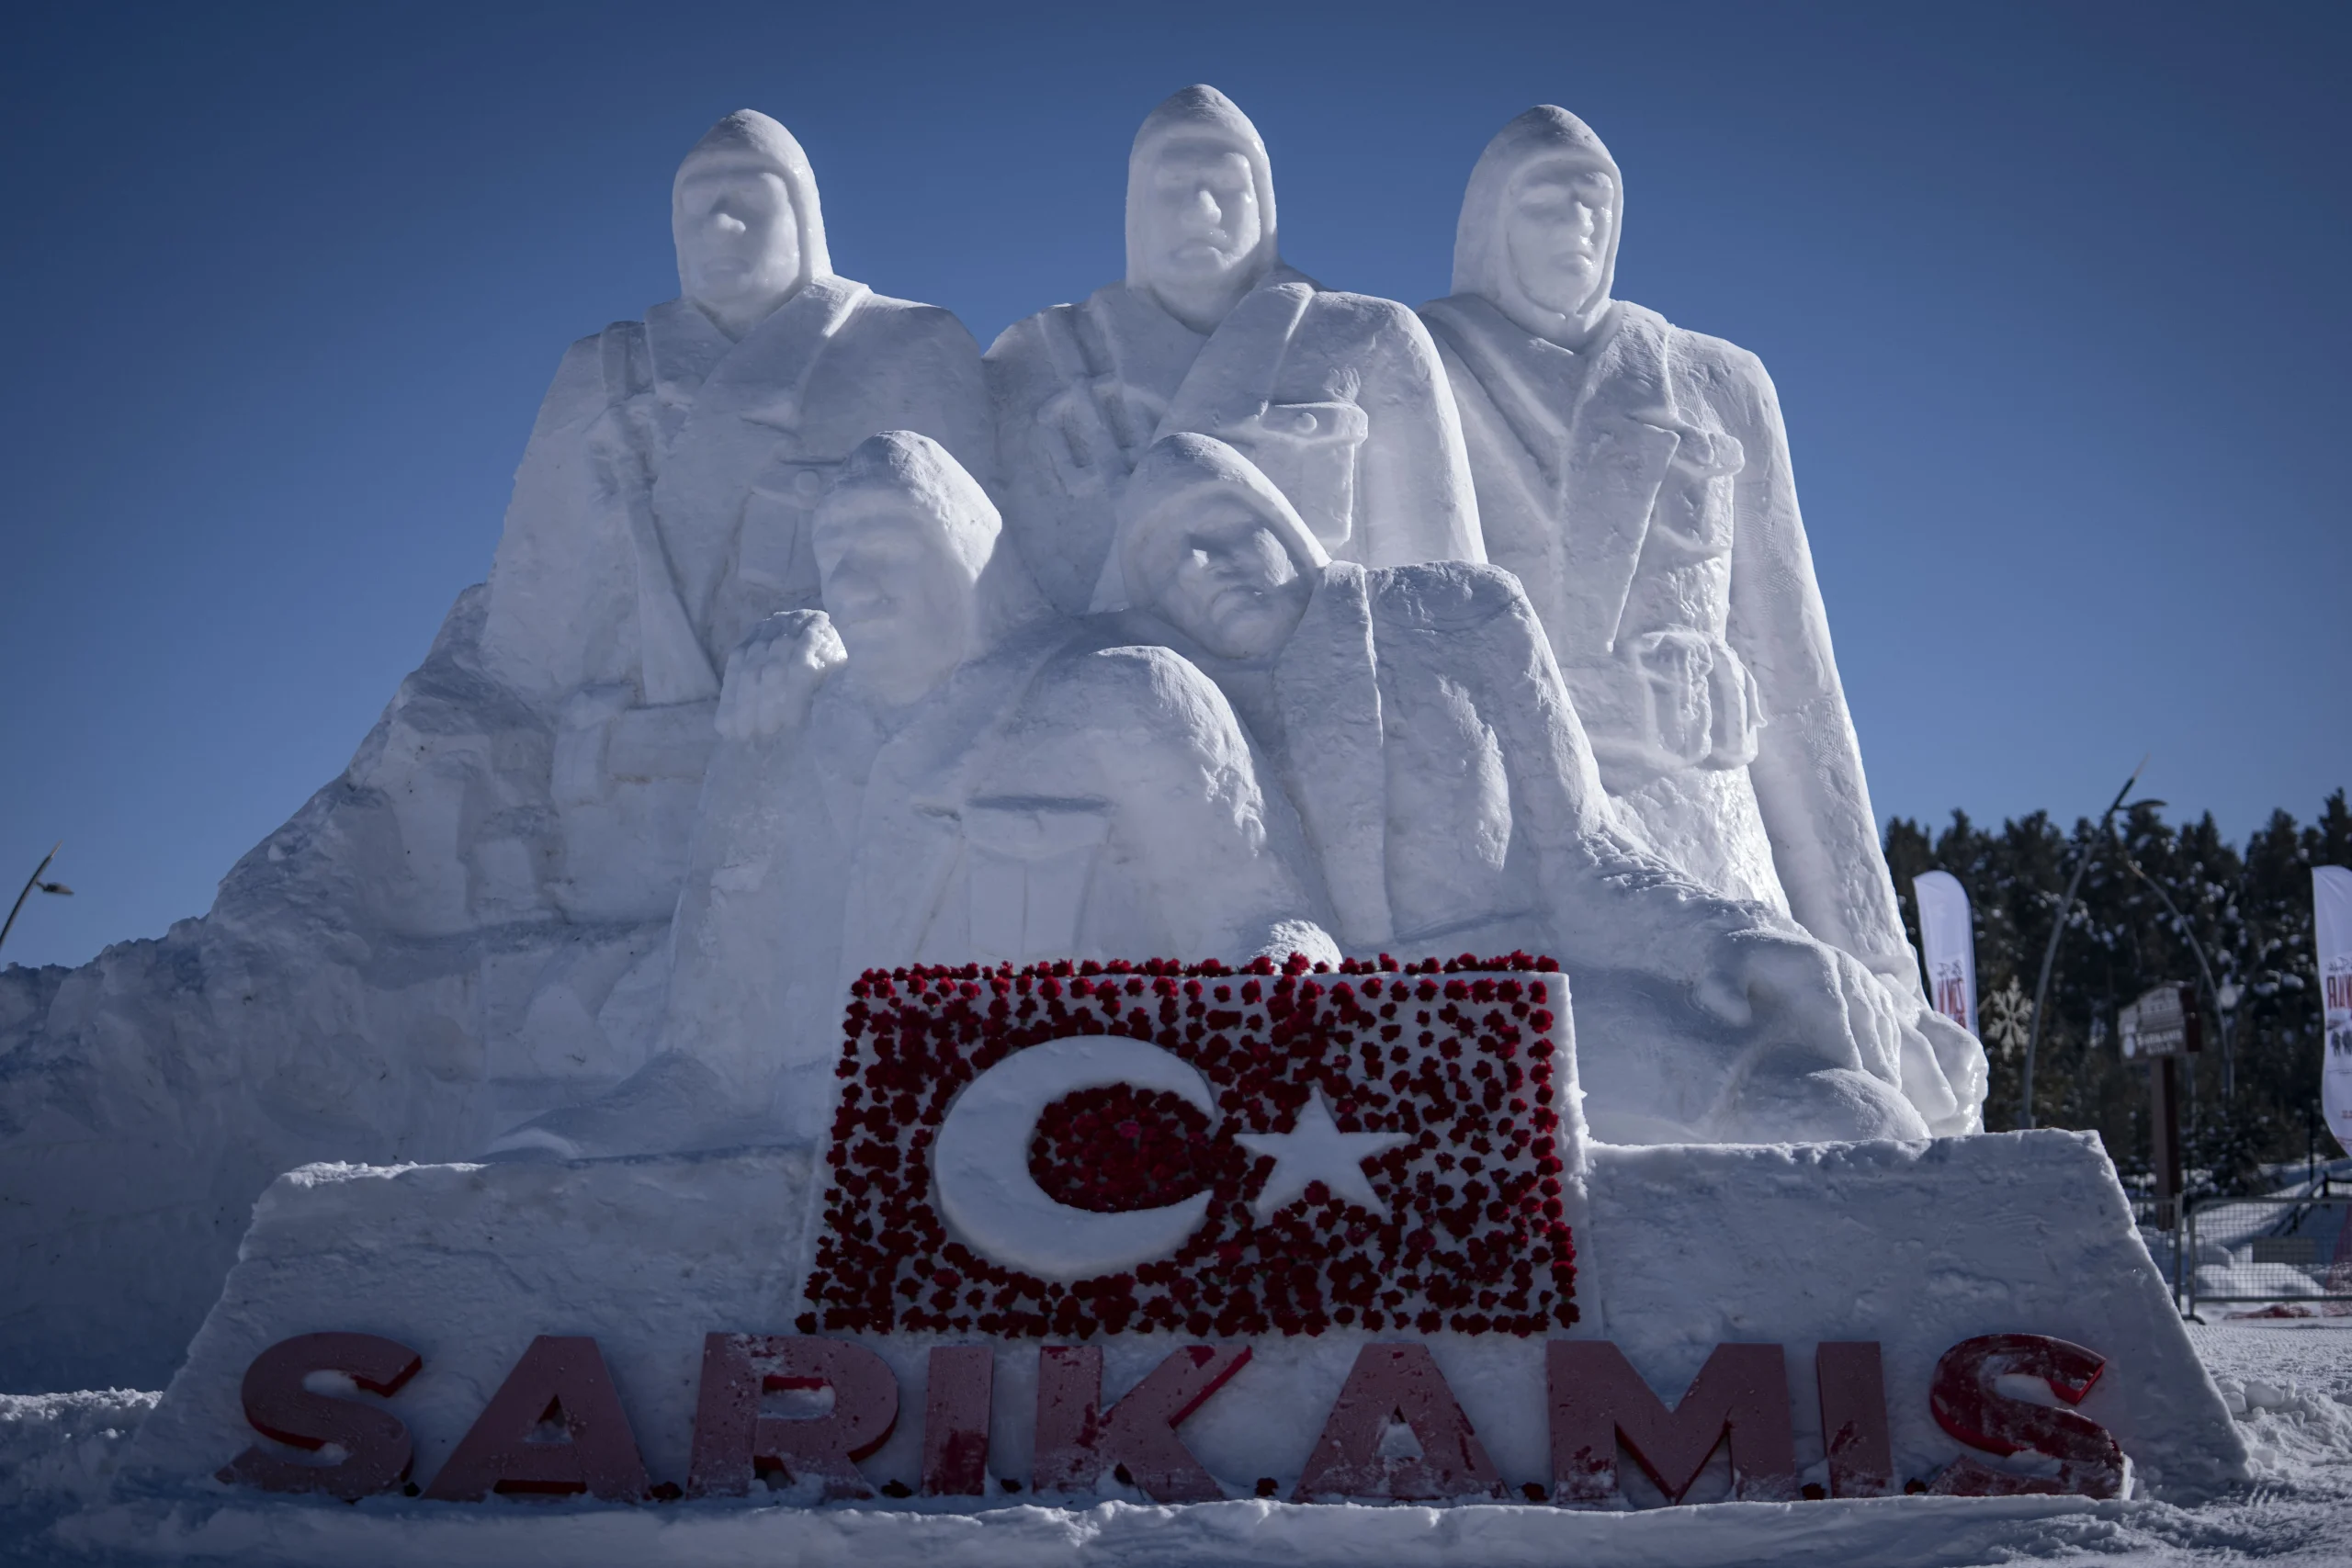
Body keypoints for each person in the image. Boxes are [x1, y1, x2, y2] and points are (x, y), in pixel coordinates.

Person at [1104, 433, 1966, 1143]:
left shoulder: (1457, 613)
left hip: (1539, 997)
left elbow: (1585, 853)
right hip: (1358, 1047)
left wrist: (1733, 938)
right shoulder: (1188, 715)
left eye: (1218, 532)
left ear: (1281, 525)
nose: (1201, 569)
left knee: (1843, 1115)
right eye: (1168, 567)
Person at [492, 432, 1335, 1157]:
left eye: (888, 546)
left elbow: (1261, 917)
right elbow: (713, 1036)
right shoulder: (792, 726)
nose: (856, 585)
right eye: (836, 559)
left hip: (1069, 1135)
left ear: (965, 553)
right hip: (821, 1149)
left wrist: (1284, 989)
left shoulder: (1121, 692)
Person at [1420, 107, 1984, 1125]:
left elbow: (1802, 696)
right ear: (1487, 223)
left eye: (1594, 203)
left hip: (1713, 842)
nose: (1576, 227)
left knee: (1832, 1098)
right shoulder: (1418, 363)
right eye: (1544, 203)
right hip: (1530, 852)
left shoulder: (1717, 383)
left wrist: (1880, 967)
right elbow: (1399, 655)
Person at [986, 85, 1481, 617]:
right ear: (1135, 210)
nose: (1202, 210)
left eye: (1227, 186)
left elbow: (1441, 579)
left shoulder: (1370, 336)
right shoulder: (1041, 356)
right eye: (1172, 187)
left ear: (1263, 204)